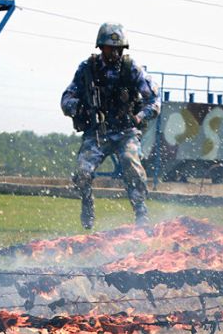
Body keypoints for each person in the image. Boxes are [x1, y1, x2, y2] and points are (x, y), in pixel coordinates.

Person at [61, 22, 161, 229]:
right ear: (100, 47)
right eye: (109, 47)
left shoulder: (131, 68)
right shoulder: (87, 69)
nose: (114, 52)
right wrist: (80, 108)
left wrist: (139, 117)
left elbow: (154, 101)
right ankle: (87, 203)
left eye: (118, 48)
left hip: (126, 132)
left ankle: (141, 212)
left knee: (131, 163)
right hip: (97, 133)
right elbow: (66, 98)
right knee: (83, 171)